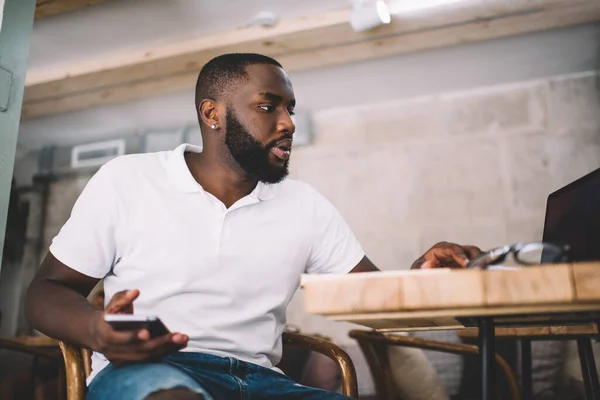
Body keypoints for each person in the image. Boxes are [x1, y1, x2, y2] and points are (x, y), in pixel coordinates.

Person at [25, 53, 481, 400]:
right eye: (270, 107)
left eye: (291, 109)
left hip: (262, 382)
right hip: (150, 370)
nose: (288, 123)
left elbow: (373, 300)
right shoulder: (127, 180)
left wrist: (424, 278)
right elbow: (46, 291)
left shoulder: (304, 205)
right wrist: (97, 331)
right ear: (212, 114)